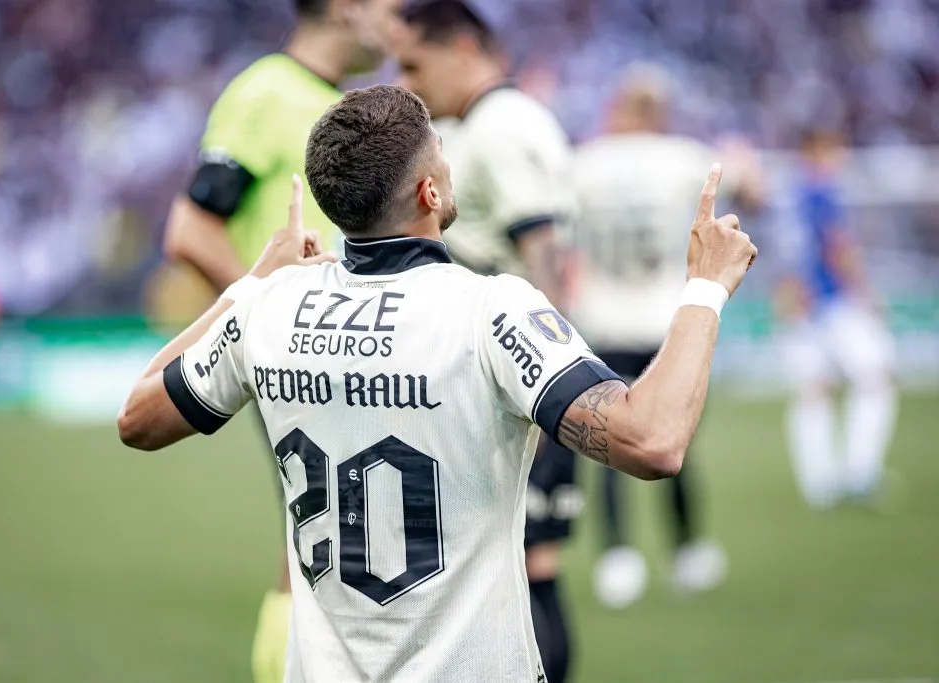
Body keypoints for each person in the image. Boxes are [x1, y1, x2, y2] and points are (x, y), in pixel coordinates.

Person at [118, 84, 757, 683]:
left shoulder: (271, 307)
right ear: (429, 193)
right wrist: (705, 286)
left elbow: (138, 418)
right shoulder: (490, 309)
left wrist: (250, 283)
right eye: (442, 153)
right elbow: (654, 439)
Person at [159, 1, 402, 680]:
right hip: (306, 359)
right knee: (322, 555)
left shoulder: (334, 100)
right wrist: (272, 312)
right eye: (387, 5)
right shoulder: (267, 90)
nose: (398, 19)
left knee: (334, 554)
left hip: (351, 355)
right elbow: (190, 227)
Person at [393, 3, 576, 678]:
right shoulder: (504, 120)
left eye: (415, 64)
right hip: (514, 379)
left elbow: (545, 255)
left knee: (526, 575)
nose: (409, 82)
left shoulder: (498, 127)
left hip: (512, 386)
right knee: (520, 573)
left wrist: (544, 386)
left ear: (464, 48)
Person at [570, 64, 764, 609]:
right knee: (676, 443)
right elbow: (750, 185)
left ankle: (617, 558)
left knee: (607, 443)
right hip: (667, 322)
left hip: (602, 320)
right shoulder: (683, 156)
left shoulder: (583, 163)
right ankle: (687, 553)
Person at [776, 128, 898, 510]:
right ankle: (860, 472)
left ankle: (820, 484)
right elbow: (837, 246)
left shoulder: (788, 197)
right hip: (831, 301)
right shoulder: (822, 191)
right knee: (877, 375)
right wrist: (866, 293)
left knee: (814, 389)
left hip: (797, 303)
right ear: (817, 151)